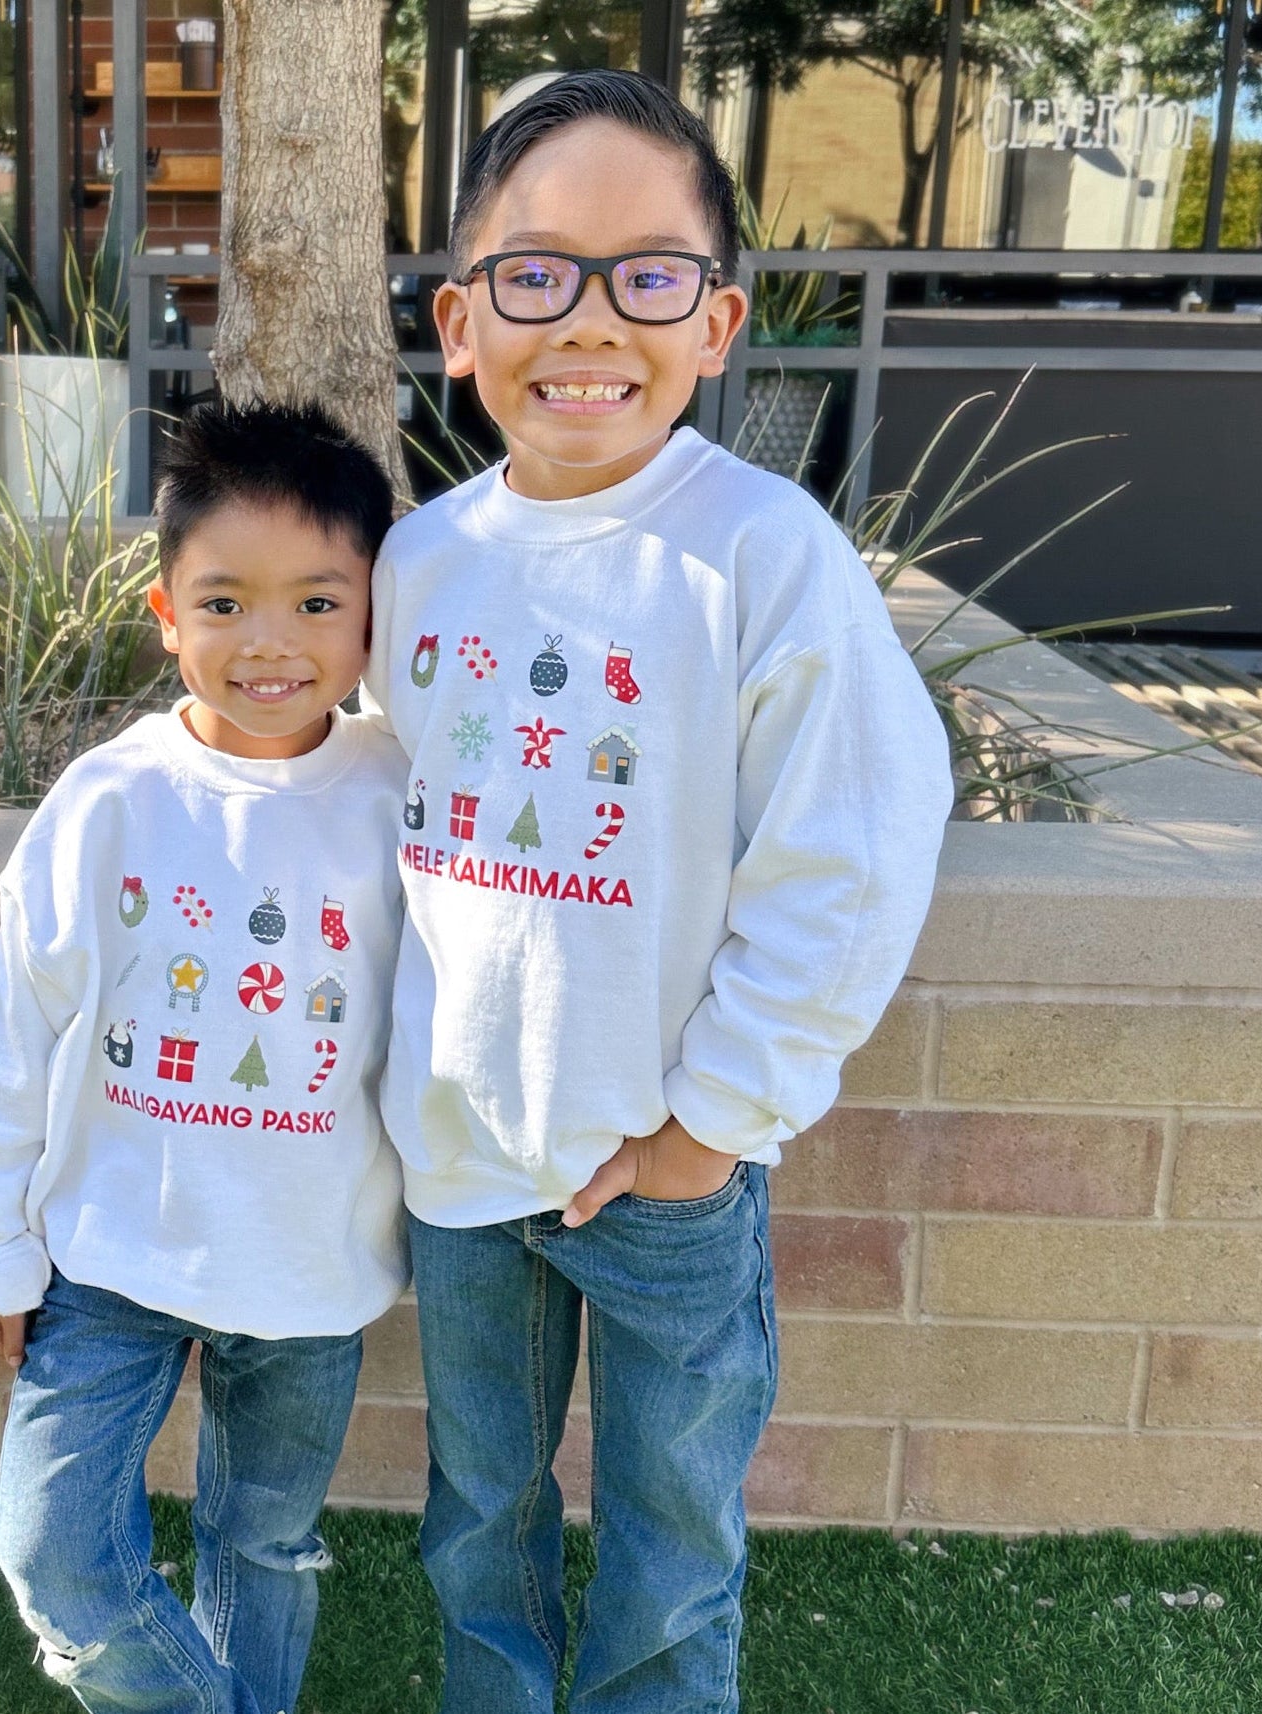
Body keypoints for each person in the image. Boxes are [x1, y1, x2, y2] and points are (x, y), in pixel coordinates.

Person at [362, 69, 952, 1713]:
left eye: (648, 274)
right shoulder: (422, 560)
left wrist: (711, 1122)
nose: (589, 319)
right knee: (477, 1521)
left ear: (715, 322)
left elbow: (850, 850)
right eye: (536, 272)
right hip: (464, 1160)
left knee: (670, 1541)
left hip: (664, 1168)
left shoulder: (761, 552)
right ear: (458, 321)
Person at [0, 398, 407, 1714]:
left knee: (263, 1546)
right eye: (225, 602)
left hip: (310, 1268)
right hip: (107, 1256)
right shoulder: (112, 798)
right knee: (57, 1557)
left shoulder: (398, 795)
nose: (270, 641)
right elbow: (16, 1022)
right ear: (166, 614)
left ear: (374, 618)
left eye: (318, 603)